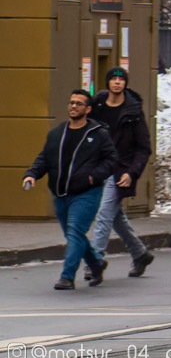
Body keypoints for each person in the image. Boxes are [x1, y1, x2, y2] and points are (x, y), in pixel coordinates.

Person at [22, 89, 118, 290]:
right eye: (71, 102)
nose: (74, 106)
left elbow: (111, 160)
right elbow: (44, 158)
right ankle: (96, 264)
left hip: (86, 193)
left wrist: (93, 176)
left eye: (79, 103)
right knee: (74, 235)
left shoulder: (98, 134)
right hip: (61, 193)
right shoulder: (57, 133)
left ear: (88, 109)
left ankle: (67, 277)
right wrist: (31, 174)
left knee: (75, 231)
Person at [88, 67, 155, 279]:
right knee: (115, 217)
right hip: (99, 168)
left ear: (125, 83)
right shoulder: (97, 107)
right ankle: (140, 254)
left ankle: (94, 262)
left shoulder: (133, 111)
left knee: (104, 215)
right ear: (107, 82)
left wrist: (131, 173)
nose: (117, 82)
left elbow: (143, 148)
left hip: (120, 171)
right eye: (113, 79)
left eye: (121, 79)